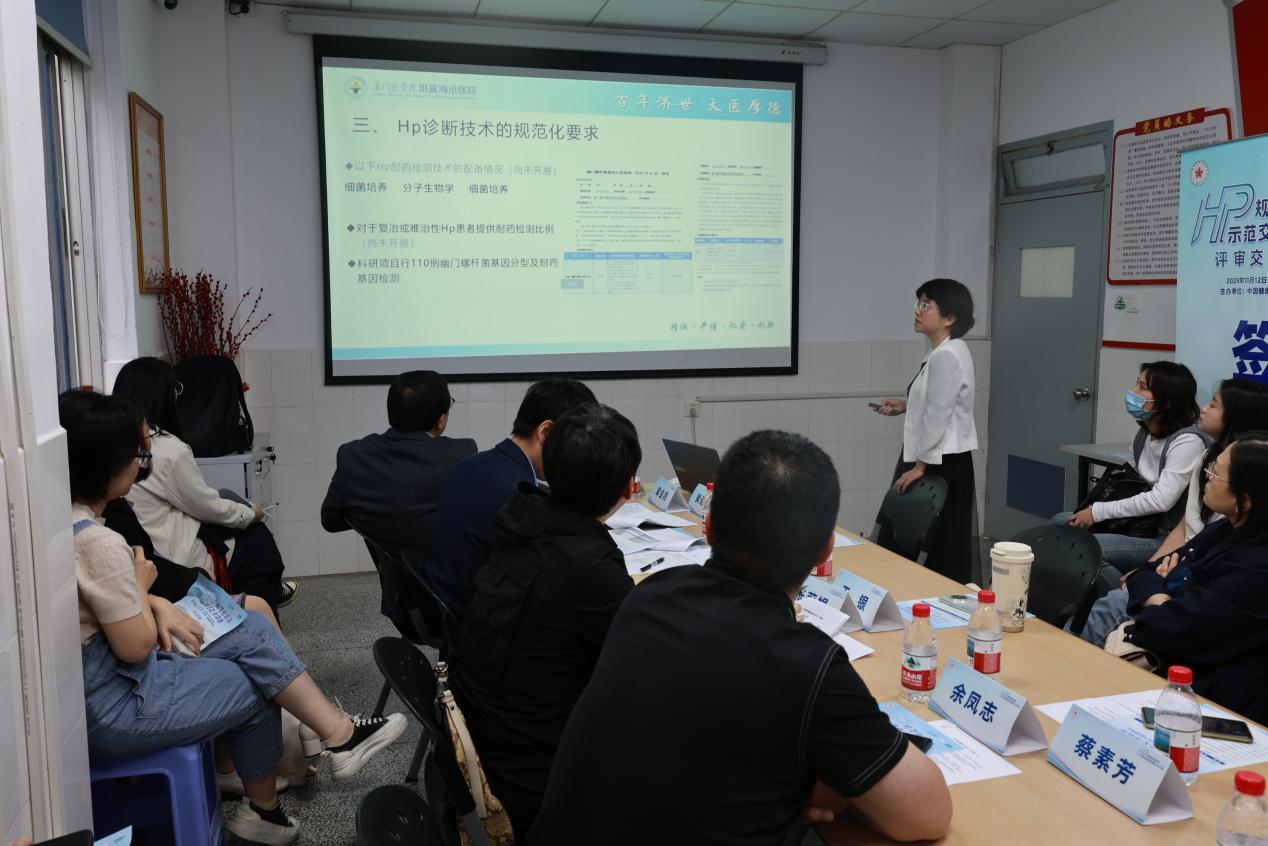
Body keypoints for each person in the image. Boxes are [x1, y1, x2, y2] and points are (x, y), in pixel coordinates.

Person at [530, 430, 952, 846]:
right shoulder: (806, 665)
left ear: (710, 526)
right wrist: (815, 784)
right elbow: (929, 815)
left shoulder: (650, 596)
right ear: (826, 550)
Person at [62, 389, 406, 845]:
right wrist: (144, 590)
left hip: (113, 686)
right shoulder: (99, 542)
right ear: (109, 463)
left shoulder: (69, 522)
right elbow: (135, 647)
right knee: (257, 678)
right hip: (119, 703)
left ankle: (325, 747)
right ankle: (294, 778)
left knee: (252, 631)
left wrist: (154, 601)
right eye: (138, 455)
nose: (142, 464)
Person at [449, 404, 640, 843]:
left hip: (492, 729)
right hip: (534, 770)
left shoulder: (524, 516)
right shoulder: (590, 568)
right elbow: (638, 671)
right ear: (624, 489)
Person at [1078, 379, 1268, 647]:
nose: (1204, 408)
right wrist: (1151, 572)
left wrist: (1156, 590)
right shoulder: (1221, 523)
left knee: (1111, 598)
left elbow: (1188, 620)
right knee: (1078, 544)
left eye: (1214, 404)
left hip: (1179, 584)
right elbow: (1185, 530)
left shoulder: (1250, 563)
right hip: (1179, 565)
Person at [112, 357, 295, 611]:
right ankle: (263, 609)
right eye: (175, 390)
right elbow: (208, 507)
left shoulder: (114, 444)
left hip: (147, 554)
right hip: (170, 562)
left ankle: (266, 598)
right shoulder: (166, 450)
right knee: (256, 541)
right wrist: (252, 513)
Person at [1116, 436, 1268, 724]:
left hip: (1210, 704)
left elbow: (1174, 627)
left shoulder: (1257, 569)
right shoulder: (1224, 530)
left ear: (1245, 501)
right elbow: (1144, 574)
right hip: (1172, 670)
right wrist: (1163, 598)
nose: (1206, 476)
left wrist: (1159, 595)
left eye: (1216, 473)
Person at [321, 370, 475, 636]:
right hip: (459, 599)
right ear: (441, 421)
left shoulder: (353, 455)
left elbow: (331, 520)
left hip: (403, 603)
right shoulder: (459, 455)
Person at [428, 378, 596, 617]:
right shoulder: (520, 498)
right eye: (576, 443)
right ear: (546, 432)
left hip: (445, 601)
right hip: (477, 618)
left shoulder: (472, 463)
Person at [874, 278, 980, 584]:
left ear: (950, 317)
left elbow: (938, 414)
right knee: (930, 540)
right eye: (918, 303)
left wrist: (920, 466)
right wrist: (906, 406)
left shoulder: (946, 355)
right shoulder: (947, 350)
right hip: (939, 456)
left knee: (928, 541)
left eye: (926, 305)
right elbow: (940, 403)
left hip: (938, 461)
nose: (917, 311)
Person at [1061, 361, 1207, 570]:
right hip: (1134, 525)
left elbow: (1160, 501)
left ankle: (1126, 590)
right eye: (1137, 383)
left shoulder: (1188, 442)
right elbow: (1128, 481)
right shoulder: (1145, 432)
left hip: (1162, 537)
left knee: (1083, 548)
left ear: (1166, 402)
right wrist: (1094, 513)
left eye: (1143, 387)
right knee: (1060, 523)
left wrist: (1097, 512)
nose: (1133, 391)